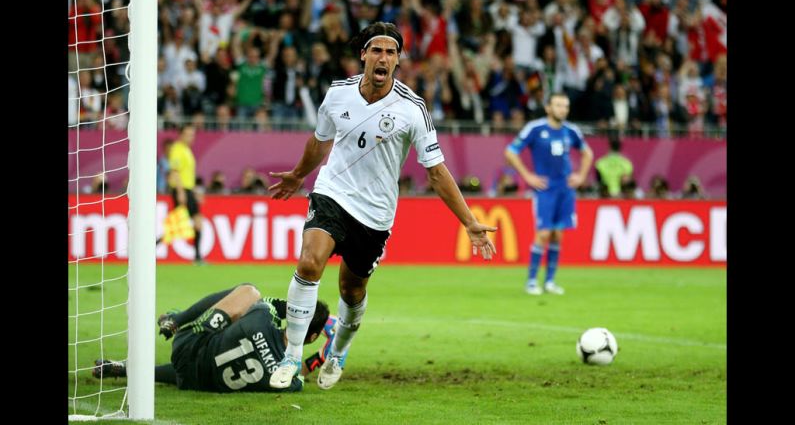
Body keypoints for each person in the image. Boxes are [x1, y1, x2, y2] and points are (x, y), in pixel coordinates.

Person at [266, 22, 498, 391]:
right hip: (333, 193)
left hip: (375, 213)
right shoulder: (338, 94)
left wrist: (469, 221)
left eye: (391, 52)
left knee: (351, 291)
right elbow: (320, 141)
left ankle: (338, 350)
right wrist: (298, 175)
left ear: (398, 60)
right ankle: (292, 355)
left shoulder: (412, 109)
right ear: (364, 55)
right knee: (310, 262)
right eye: (377, 50)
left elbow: (436, 173)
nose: (383, 57)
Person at [93, 284, 343, 392]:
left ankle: (177, 320)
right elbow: (300, 372)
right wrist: (323, 355)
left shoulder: (263, 315)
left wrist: (301, 307)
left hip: (187, 347)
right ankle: (123, 369)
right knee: (213, 362)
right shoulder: (288, 382)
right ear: (311, 337)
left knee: (249, 292)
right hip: (200, 381)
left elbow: (276, 305)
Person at [504, 92, 593, 296]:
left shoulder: (571, 131)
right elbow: (510, 151)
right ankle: (532, 281)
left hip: (565, 189)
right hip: (545, 189)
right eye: (558, 105)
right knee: (543, 234)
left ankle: (550, 281)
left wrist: (580, 176)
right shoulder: (535, 128)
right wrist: (527, 176)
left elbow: (588, 153)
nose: (562, 109)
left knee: (557, 235)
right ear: (548, 108)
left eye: (565, 106)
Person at [168, 125, 205, 264]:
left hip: (188, 190)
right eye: (188, 134)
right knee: (176, 227)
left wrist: (194, 192)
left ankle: (197, 257)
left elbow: (188, 175)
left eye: (193, 134)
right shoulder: (177, 149)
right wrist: (180, 192)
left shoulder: (187, 150)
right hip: (181, 190)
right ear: (181, 135)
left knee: (197, 222)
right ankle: (149, 248)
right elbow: (175, 172)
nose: (191, 137)